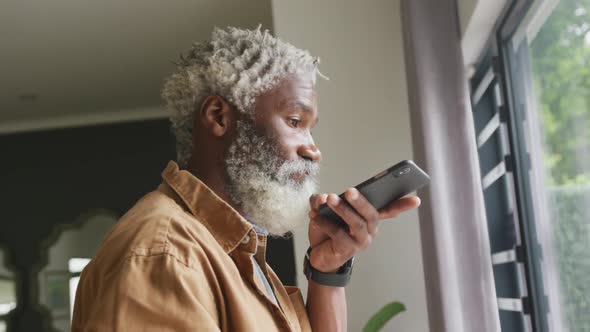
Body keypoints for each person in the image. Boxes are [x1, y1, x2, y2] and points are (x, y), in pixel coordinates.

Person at [72, 26, 420, 331]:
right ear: (218, 116)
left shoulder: (236, 251)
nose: (314, 151)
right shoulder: (167, 253)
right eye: (295, 122)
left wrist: (327, 270)